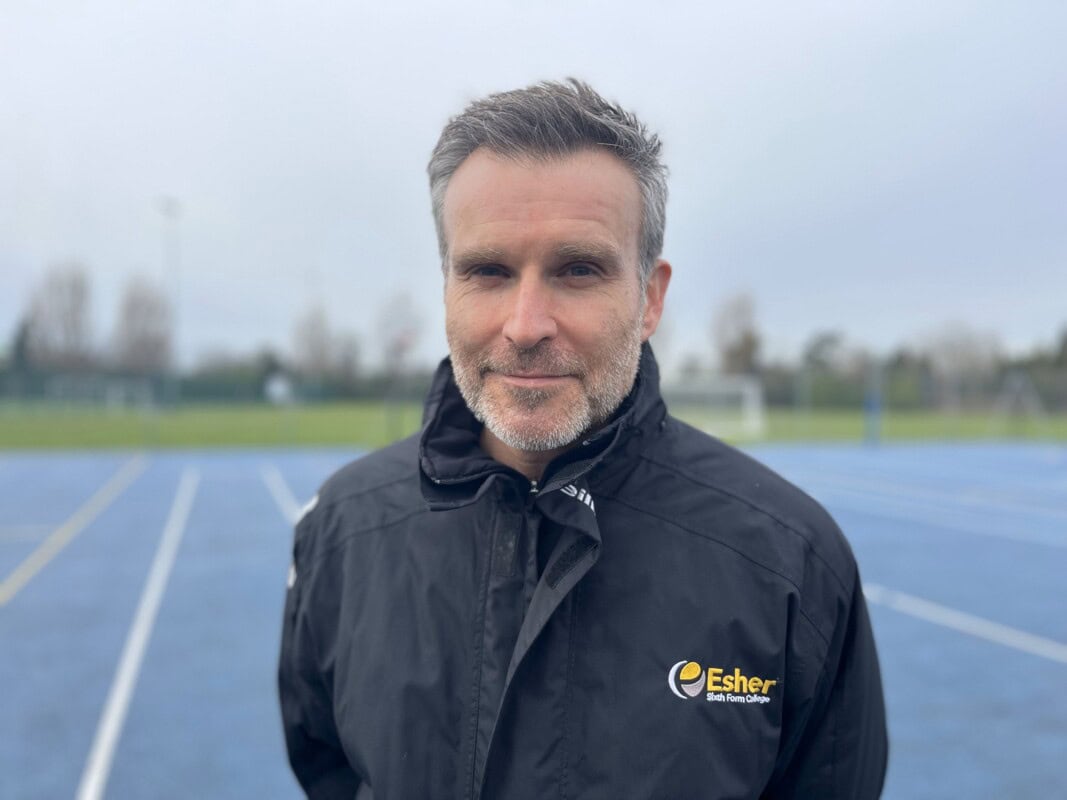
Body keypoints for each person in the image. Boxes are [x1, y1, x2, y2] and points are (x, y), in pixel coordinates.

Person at [278, 78, 888, 799]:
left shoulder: (790, 560)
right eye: (488, 271)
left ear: (649, 297)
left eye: (577, 269)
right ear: (447, 287)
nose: (526, 324)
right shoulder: (344, 530)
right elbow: (329, 770)